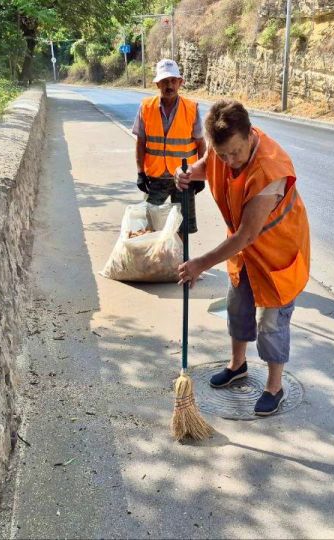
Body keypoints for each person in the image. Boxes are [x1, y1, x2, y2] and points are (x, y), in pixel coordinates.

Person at [175, 99, 310, 416]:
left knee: (271, 323)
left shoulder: (268, 170)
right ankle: (237, 365)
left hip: (277, 252)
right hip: (244, 251)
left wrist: (199, 265)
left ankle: (274, 387)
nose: (230, 161)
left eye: (235, 152)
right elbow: (206, 166)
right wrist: (189, 175)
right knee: (237, 305)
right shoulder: (222, 149)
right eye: (223, 153)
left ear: (250, 135)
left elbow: (248, 234)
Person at [133, 59, 206, 235]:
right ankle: (156, 259)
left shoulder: (191, 108)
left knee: (183, 226)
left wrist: (201, 174)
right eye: (165, 81)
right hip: (156, 177)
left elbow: (200, 143)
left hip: (185, 177)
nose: (169, 85)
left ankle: (180, 261)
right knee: (150, 222)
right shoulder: (146, 107)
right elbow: (141, 142)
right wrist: (140, 173)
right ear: (157, 83)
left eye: (173, 80)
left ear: (180, 82)